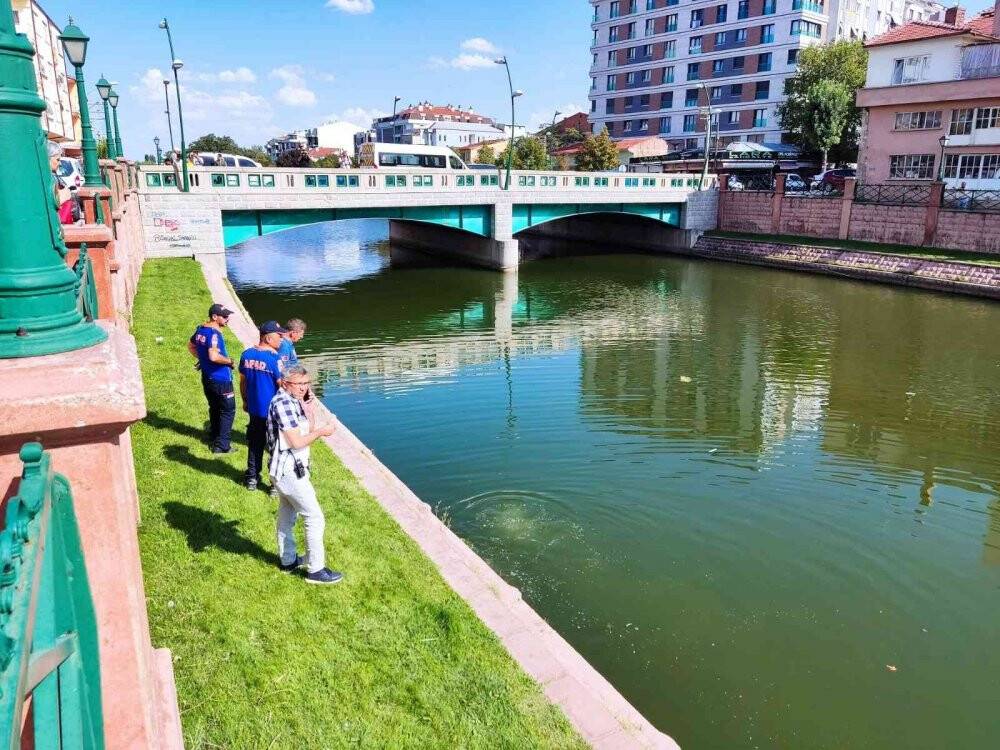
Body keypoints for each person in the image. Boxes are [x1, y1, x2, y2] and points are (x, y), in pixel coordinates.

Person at [267, 364, 343, 585]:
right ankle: (316, 570)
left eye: (306, 383)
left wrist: (308, 409)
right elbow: (297, 441)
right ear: (286, 383)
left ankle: (288, 560)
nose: (304, 388)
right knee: (314, 517)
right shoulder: (282, 403)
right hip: (288, 471)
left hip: (289, 469)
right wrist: (322, 432)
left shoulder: (292, 401)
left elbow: (305, 429)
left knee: (287, 517)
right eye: (300, 384)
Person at [239, 321, 286, 490]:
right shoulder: (275, 360)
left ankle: (252, 478)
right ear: (268, 337)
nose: (281, 340)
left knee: (255, 444)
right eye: (279, 336)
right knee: (276, 448)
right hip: (273, 413)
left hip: (254, 409)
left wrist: (245, 401)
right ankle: (275, 485)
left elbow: (243, 382)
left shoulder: (247, 355)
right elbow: (283, 385)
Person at [188, 304, 237, 453]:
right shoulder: (214, 334)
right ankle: (222, 446)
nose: (227, 319)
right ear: (215, 317)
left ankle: (214, 436)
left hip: (207, 378)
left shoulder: (200, 329)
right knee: (228, 410)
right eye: (225, 316)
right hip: (221, 379)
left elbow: (191, 346)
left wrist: (203, 361)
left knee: (214, 407)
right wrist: (229, 361)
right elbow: (214, 356)